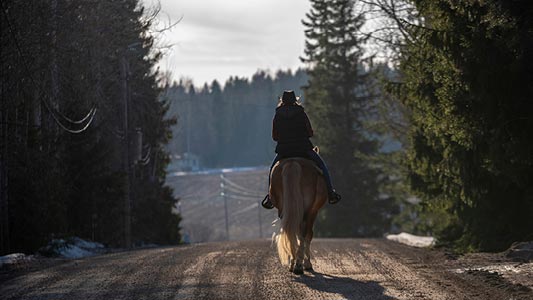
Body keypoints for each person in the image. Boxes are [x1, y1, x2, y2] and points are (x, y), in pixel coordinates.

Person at [261, 90, 341, 209]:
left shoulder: (277, 115)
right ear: (295, 100)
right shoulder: (301, 113)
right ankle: (331, 193)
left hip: (284, 151)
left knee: (272, 171)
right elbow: (310, 132)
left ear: (282, 100)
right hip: (303, 148)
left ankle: (270, 198)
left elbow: (275, 136)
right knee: (323, 167)